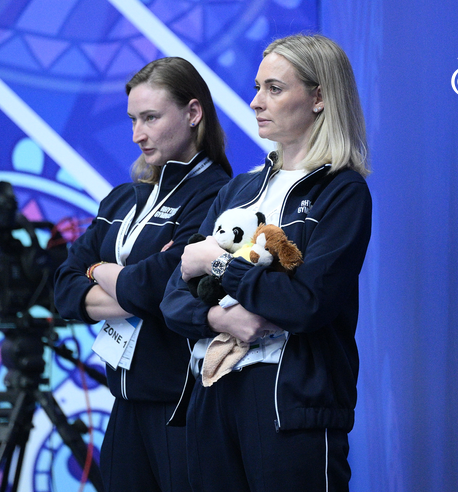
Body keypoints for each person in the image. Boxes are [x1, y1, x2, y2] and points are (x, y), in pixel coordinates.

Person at [160, 34, 372, 492]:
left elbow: (308, 303)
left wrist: (220, 264)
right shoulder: (237, 189)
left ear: (319, 97)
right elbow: (173, 300)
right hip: (212, 390)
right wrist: (221, 318)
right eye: (257, 87)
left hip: (289, 402)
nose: (256, 101)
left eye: (274, 88)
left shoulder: (342, 191)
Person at [53, 57, 232, 492]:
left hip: (184, 406)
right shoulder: (122, 200)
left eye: (151, 117)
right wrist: (120, 279)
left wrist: (97, 272)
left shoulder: (219, 195)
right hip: (125, 406)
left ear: (193, 114)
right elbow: (62, 289)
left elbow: (160, 289)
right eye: (133, 119)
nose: (137, 134)